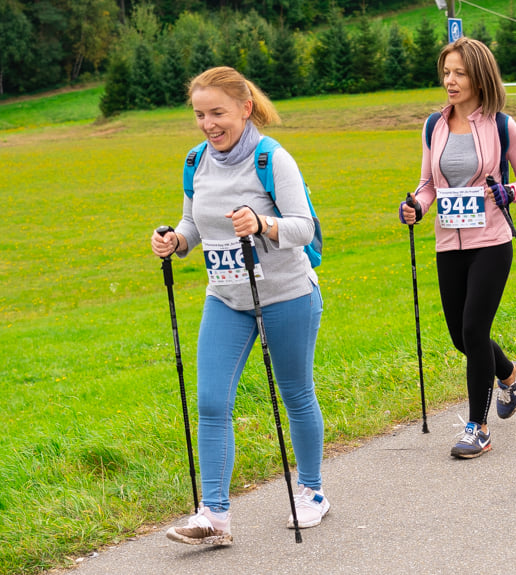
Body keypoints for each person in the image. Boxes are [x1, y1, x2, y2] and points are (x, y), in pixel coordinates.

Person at [151, 66, 328, 544]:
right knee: (211, 401)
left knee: (296, 394)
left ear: (245, 109)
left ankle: (311, 492)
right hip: (227, 298)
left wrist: (263, 224)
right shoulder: (195, 162)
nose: (209, 124)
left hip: (286, 295)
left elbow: (303, 228)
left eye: (217, 113)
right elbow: (194, 224)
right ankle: (214, 516)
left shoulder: (273, 159)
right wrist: (175, 240)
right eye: (199, 115)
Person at [399, 37, 516, 459]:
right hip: (448, 243)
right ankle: (511, 373)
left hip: (491, 242)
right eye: (446, 72)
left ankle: (477, 428)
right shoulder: (433, 125)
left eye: (459, 72)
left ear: (479, 76)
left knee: (475, 329)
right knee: (461, 337)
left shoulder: (501, 124)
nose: (450, 80)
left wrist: (509, 192)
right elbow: (428, 183)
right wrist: (416, 206)